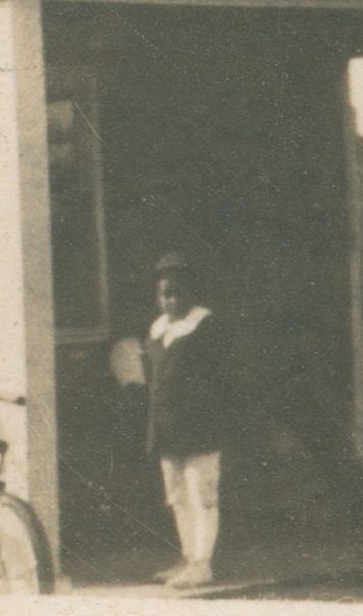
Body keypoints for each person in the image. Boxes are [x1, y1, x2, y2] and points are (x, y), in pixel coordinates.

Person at [145, 252, 238, 590]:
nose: (170, 300)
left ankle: (202, 562)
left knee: (202, 495)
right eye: (164, 293)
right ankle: (186, 557)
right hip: (167, 426)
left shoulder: (205, 326)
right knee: (177, 495)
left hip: (199, 424)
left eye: (176, 292)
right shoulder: (158, 329)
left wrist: (214, 417)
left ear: (191, 292)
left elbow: (222, 379)